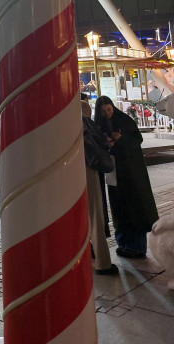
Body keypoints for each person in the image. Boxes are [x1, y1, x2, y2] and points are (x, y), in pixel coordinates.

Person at [94, 95, 158, 258]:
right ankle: (124, 244)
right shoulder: (99, 125)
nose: (107, 113)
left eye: (109, 110)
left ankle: (137, 247)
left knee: (133, 207)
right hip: (114, 173)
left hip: (130, 172)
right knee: (118, 208)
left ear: (113, 107)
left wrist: (120, 140)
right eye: (103, 111)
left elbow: (136, 140)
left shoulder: (124, 120)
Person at [81, 97, 118, 275]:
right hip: (88, 171)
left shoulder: (64, 126)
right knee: (96, 215)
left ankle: (84, 251)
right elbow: (101, 144)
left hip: (69, 175)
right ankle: (103, 262)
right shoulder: (86, 124)